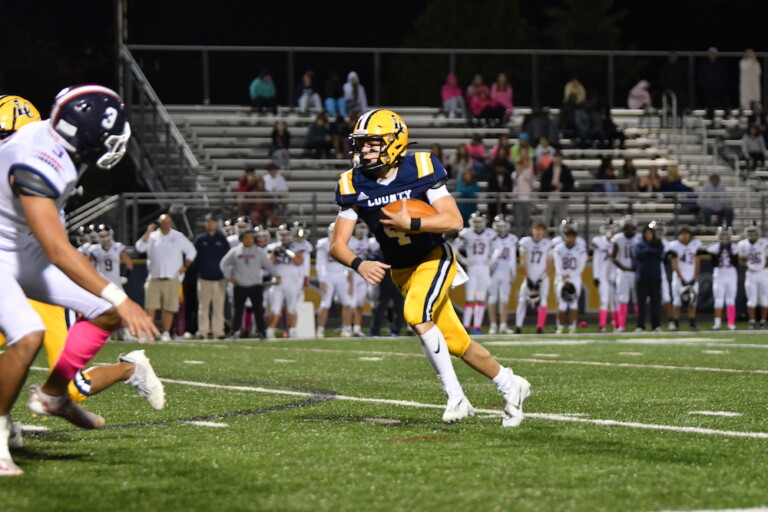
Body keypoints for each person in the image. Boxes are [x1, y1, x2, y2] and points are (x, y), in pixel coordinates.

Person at [331, 108, 530, 427]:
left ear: (394, 143)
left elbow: (454, 219)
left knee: (415, 315)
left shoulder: (420, 168)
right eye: (361, 144)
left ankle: (456, 398)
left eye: (372, 143)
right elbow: (337, 244)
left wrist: (413, 222)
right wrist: (359, 263)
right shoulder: (353, 183)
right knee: (456, 342)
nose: (364, 150)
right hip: (401, 270)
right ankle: (510, 384)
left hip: (434, 258)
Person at [0, 85, 160, 475]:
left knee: (105, 311)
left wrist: (115, 303)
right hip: (12, 250)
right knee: (28, 333)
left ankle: (54, 396)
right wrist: (123, 296)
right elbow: (57, 248)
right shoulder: (35, 160)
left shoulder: (56, 138)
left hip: (22, 246)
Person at [135, 214, 197, 341]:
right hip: (154, 277)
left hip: (172, 277)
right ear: (159, 223)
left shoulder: (178, 236)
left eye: (168, 222)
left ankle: (166, 333)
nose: (165, 225)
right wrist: (147, 232)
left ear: (171, 223)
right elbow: (139, 247)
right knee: (150, 307)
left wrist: (185, 266)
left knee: (169, 308)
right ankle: (148, 333)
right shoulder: (152, 236)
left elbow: (191, 251)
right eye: (163, 222)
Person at [220, 229, 278, 339]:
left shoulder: (259, 251)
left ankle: (262, 332)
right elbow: (224, 263)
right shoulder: (235, 251)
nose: (249, 240)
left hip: (255, 285)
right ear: (241, 239)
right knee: (238, 311)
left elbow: (268, 265)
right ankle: (234, 331)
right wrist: (229, 277)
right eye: (246, 237)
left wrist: (277, 276)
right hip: (240, 285)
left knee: (258, 310)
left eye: (251, 237)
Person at [88, 223, 135, 341]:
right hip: (102, 284)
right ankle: (105, 334)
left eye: (105, 235)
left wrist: (125, 277)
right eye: (102, 236)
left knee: (122, 309)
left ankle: (124, 333)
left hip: (116, 283)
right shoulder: (95, 249)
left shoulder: (117, 247)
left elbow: (129, 264)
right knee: (104, 310)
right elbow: (86, 264)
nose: (104, 238)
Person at [452, 212, 496, 334]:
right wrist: (463, 260)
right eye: (475, 222)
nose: (477, 224)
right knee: (470, 298)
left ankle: (477, 326)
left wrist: (492, 259)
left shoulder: (489, 233)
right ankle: (466, 325)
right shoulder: (466, 233)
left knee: (481, 298)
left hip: (484, 269)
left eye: (479, 222)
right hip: (472, 269)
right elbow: (454, 247)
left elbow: (498, 248)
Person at [193, 214, 229, 340]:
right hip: (204, 278)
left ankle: (218, 331)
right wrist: (201, 270)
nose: (210, 224)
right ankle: (202, 331)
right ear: (205, 223)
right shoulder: (200, 239)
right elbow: (195, 258)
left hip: (219, 278)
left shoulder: (222, 239)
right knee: (203, 306)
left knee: (218, 307)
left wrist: (224, 273)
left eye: (212, 222)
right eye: (208, 222)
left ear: (216, 223)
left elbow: (227, 258)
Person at [314, 222, 353, 338]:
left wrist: (351, 282)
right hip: (328, 276)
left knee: (347, 302)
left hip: (342, 275)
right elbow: (320, 264)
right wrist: (322, 280)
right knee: (325, 303)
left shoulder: (344, 243)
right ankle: (320, 330)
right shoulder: (323, 244)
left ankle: (347, 329)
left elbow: (348, 263)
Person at [266, 225, 304, 338]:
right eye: (282, 234)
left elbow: (298, 261)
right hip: (278, 281)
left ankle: (293, 330)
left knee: (292, 307)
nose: (284, 237)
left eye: (286, 234)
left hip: (292, 281)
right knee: (275, 308)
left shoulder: (296, 246)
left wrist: (288, 251)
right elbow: (267, 263)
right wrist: (274, 253)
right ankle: (270, 331)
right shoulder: (273, 246)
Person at [515, 221, 552, 334]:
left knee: (543, 300)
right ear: (532, 230)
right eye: (536, 229)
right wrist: (528, 278)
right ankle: (518, 326)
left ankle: (540, 327)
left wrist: (541, 279)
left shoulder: (548, 243)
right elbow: (523, 260)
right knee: (522, 300)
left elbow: (549, 264)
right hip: (529, 276)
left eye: (540, 229)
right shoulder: (526, 242)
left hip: (543, 277)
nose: (538, 232)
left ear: (544, 232)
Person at [552, 221, 587, 334]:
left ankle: (572, 327)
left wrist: (570, 275)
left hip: (575, 277)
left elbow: (581, 267)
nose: (570, 239)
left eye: (572, 236)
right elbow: (557, 264)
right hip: (561, 277)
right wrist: (562, 275)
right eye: (568, 236)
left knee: (573, 303)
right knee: (561, 304)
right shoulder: (559, 248)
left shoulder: (581, 249)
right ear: (565, 237)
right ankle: (560, 327)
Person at [487, 216, 517, 334]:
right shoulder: (491, 239)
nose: (501, 229)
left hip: (505, 271)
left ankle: (503, 325)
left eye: (503, 226)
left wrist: (513, 271)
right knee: (492, 298)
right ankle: (493, 325)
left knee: (504, 299)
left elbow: (513, 258)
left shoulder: (512, 239)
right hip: (493, 271)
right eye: (499, 226)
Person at [668, 226, 702, 331]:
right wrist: (681, 278)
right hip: (679, 277)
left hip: (692, 276)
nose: (684, 236)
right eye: (682, 233)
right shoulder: (674, 245)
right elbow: (674, 263)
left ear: (690, 235)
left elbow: (697, 261)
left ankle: (692, 324)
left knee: (692, 301)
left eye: (686, 233)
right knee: (677, 301)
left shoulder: (695, 244)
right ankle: (675, 323)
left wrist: (695, 277)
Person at [632, 223, 665, 332]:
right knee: (641, 304)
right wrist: (649, 251)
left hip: (655, 277)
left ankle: (656, 325)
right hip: (642, 278)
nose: (648, 235)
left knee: (655, 303)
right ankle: (640, 325)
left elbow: (659, 254)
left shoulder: (658, 244)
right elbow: (637, 255)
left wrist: (648, 251)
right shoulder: (639, 244)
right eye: (646, 233)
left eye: (650, 233)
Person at [611, 215, 640, 332]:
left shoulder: (639, 238)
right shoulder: (618, 239)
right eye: (626, 228)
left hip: (636, 271)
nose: (628, 230)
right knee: (623, 299)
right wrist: (624, 268)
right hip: (622, 272)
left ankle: (640, 325)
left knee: (638, 299)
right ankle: (622, 325)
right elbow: (613, 257)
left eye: (630, 227)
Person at [708, 226, 739, 330]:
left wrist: (729, 251)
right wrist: (720, 251)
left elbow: (735, 263)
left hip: (731, 273)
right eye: (723, 235)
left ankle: (731, 322)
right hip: (719, 273)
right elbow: (714, 264)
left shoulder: (734, 247)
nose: (725, 237)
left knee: (731, 300)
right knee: (718, 300)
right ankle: (717, 323)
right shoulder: (715, 247)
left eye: (726, 235)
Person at [738, 223, 768, 329]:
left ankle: (763, 322)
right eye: (750, 232)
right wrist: (749, 265)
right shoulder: (743, 244)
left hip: (764, 273)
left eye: (753, 232)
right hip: (751, 274)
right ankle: (752, 321)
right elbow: (741, 260)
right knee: (752, 299)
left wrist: (764, 266)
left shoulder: (764, 242)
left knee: (765, 299)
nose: (752, 234)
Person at [348, 221, 373, 336]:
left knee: (360, 303)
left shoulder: (367, 241)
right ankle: (348, 327)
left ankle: (357, 328)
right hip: (351, 273)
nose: (362, 229)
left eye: (364, 227)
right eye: (360, 227)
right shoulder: (349, 240)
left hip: (363, 274)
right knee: (351, 303)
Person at [592, 218, 617, 332]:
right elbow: (596, 259)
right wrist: (596, 275)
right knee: (604, 299)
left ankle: (617, 324)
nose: (609, 231)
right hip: (602, 274)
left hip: (614, 273)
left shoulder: (618, 240)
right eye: (607, 228)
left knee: (615, 300)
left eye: (610, 228)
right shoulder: (598, 241)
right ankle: (602, 325)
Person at [540, 150, 574, 227]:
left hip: (562, 199)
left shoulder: (566, 170)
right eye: (556, 157)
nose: (557, 159)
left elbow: (570, 184)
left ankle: (560, 237)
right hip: (549, 198)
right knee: (546, 219)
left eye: (559, 158)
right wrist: (552, 187)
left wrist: (562, 186)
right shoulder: (547, 170)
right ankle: (544, 237)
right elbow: (543, 184)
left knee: (562, 220)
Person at [699, 48, 732, 120]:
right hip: (709, 89)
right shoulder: (704, 66)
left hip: (720, 88)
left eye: (714, 54)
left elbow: (725, 77)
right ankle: (710, 118)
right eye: (711, 54)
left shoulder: (721, 65)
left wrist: (722, 86)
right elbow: (702, 78)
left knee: (725, 99)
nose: (712, 55)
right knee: (709, 101)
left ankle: (727, 114)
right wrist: (705, 86)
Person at [486, 147, 514, 221]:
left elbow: (509, 187)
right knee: (492, 218)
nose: (500, 169)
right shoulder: (492, 176)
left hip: (503, 201)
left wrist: (505, 193)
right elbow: (490, 188)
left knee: (503, 217)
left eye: (502, 167)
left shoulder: (508, 176)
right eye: (499, 167)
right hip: (493, 201)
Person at [512, 147, 535, 237]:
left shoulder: (527, 173)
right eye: (517, 165)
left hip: (526, 199)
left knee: (526, 220)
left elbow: (533, 183)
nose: (519, 167)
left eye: (520, 165)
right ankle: (518, 238)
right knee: (518, 220)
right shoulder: (514, 175)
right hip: (517, 199)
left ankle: (526, 237)